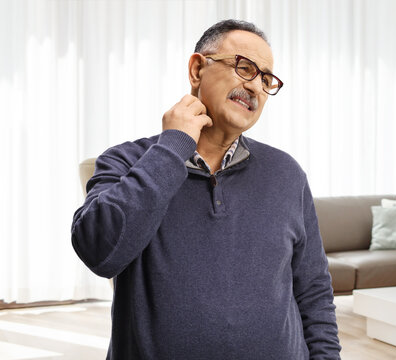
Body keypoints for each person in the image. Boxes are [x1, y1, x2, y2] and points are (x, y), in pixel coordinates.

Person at [71, 19, 341, 359]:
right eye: (245, 68)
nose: (256, 87)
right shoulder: (127, 161)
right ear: (198, 69)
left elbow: (314, 289)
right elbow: (99, 251)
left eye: (266, 79)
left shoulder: (287, 173)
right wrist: (173, 147)